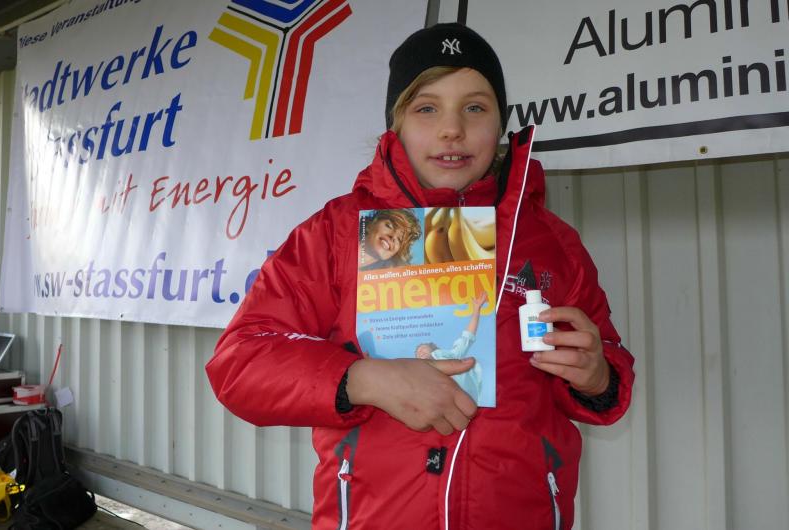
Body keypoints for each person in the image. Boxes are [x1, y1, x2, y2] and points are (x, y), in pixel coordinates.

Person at [207, 22, 635, 530]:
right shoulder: (335, 233)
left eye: (475, 108)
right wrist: (364, 379)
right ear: (396, 125)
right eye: (426, 108)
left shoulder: (551, 242)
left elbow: (607, 359)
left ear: (501, 123)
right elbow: (240, 363)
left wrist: (597, 377)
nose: (452, 129)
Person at [415, 292, 488, 403]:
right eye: (417, 353)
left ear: (433, 349)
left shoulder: (451, 356)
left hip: (469, 398)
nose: (420, 352)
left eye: (423, 348)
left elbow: (467, 337)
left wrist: (476, 309)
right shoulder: (421, 375)